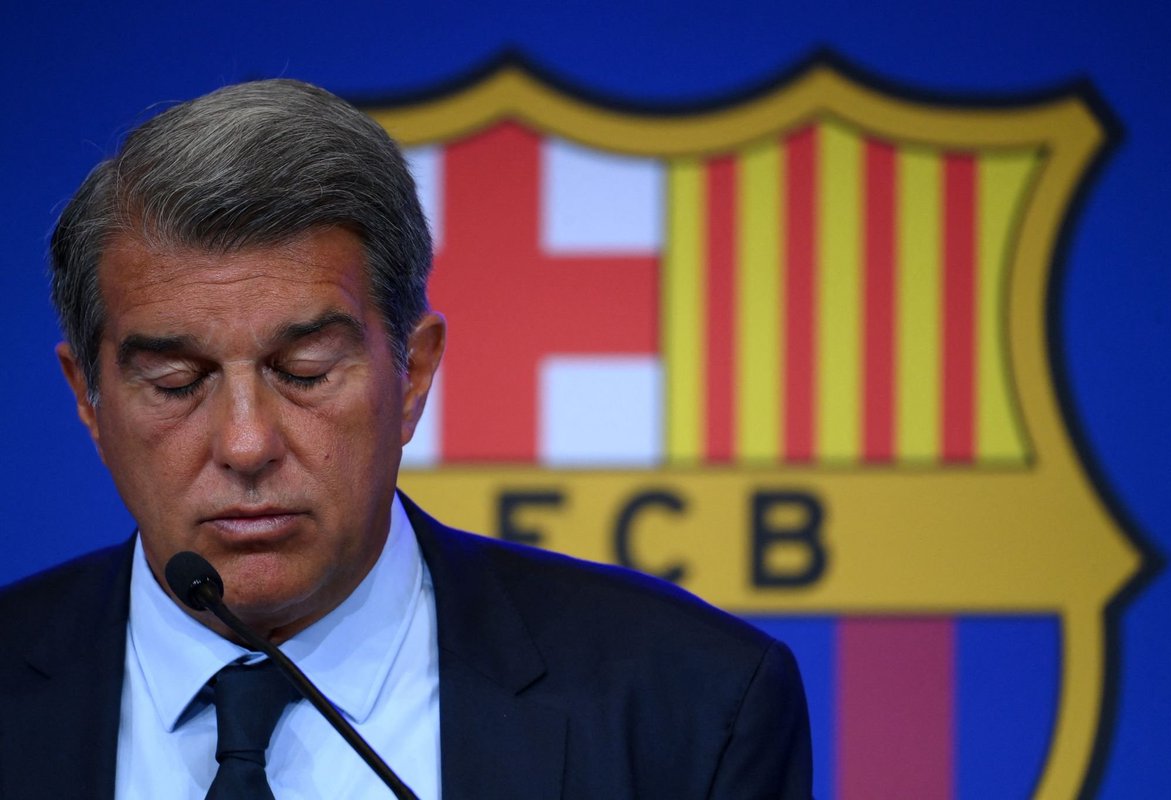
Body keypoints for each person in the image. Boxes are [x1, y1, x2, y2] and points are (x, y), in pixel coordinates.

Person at [0, 79, 812, 799]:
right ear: (87, 397)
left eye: (306, 371)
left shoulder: (692, 705)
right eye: (177, 381)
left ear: (413, 373)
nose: (246, 444)